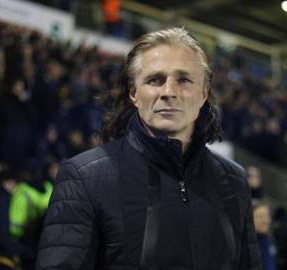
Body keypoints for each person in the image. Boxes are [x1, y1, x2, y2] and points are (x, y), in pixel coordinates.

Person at [35, 27, 262, 270]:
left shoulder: (233, 181)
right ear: (134, 93)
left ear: (204, 93)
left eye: (183, 80)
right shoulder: (84, 177)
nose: (169, 92)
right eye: (155, 80)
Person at [253, 201, 277, 270]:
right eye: (260, 217)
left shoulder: (268, 239)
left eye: (267, 216)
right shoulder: (245, 245)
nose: (265, 221)